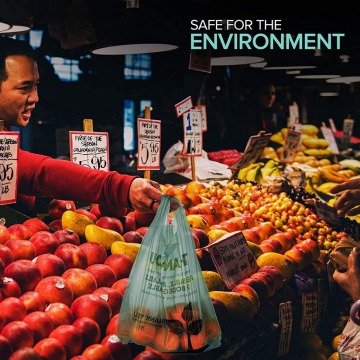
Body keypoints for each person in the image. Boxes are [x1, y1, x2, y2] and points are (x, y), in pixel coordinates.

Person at [0, 37, 163, 215]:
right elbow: (40, 172)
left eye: (36, 86)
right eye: (24, 88)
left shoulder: (5, 129)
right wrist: (122, 188)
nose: (35, 98)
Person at [223, 81, 287, 151]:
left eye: (273, 93)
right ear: (258, 94)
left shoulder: (269, 112)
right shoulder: (244, 111)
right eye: (266, 93)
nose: (270, 97)